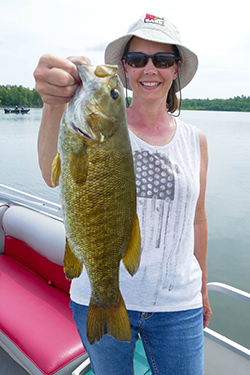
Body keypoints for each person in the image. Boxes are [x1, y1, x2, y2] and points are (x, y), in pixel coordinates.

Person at [34, 13, 212, 375]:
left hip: (179, 304)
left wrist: (204, 287)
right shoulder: (88, 126)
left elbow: (198, 218)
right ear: (124, 68)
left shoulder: (196, 140)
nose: (150, 68)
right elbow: (50, 173)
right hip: (96, 293)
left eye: (162, 60)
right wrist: (54, 103)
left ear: (176, 70)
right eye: (136, 59)